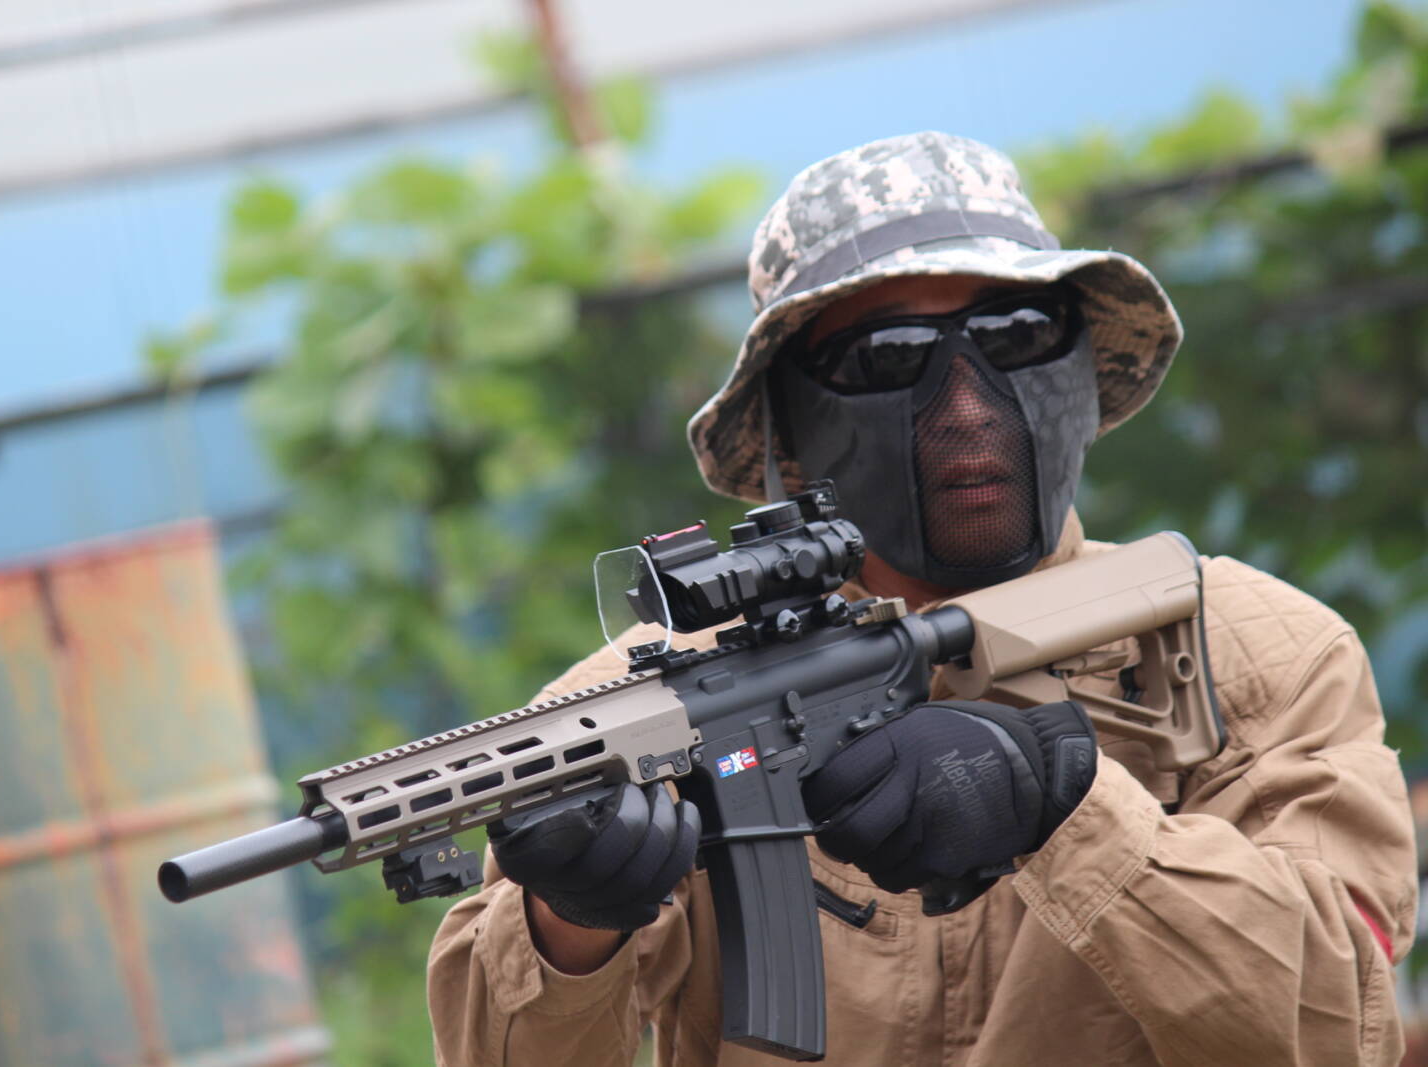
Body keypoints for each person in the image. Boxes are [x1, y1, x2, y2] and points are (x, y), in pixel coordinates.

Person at [426, 132, 1417, 1065]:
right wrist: (569, 925)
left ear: (1079, 369)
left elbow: (1344, 1024)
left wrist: (1064, 810)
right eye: (887, 357)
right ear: (790, 424)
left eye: (1016, 334)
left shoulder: (1256, 653)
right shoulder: (642, 707)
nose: (967, 405)